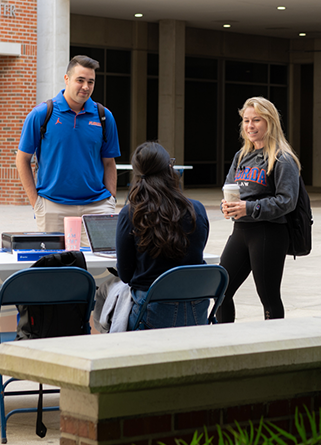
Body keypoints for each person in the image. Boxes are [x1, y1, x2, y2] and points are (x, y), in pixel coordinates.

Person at [16, 55, 120, 234]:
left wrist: (110, 200)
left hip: (97, 206)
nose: (86, 87)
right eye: (80, 80)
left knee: (100, 261)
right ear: (66, 79)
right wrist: (37, 204)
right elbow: (22, 159)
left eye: (91, 82)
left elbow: (109, 162)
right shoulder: (42, 114)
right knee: (56, 262)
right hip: (53, 207)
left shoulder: (104, 116)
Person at [218, 96, 301, 322]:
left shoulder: (282, 159)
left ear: (270, 122)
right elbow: (230, 188)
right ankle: (223, 344)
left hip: (269, 233)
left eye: (256, 120)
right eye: (246, 121)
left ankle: (274, 347)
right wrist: (227, 206)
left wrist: (249, 208)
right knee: (220, 291)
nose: (250, 126)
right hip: (241, 231)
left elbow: (287, 201)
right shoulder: (241, 156)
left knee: (268, 296)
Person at [116, 141, 209, 330]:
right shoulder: (196, 209)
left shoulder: (130, 213)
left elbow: (125, 275)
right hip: (196, 311)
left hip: (151, 313)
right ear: (169, 168)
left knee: (107, 294)